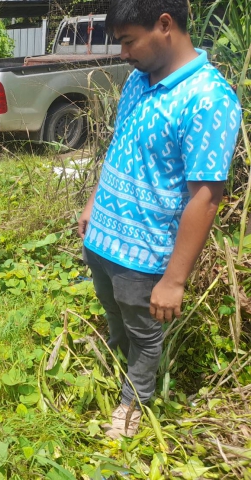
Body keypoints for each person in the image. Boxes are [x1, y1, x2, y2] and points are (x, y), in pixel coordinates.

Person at [78, 0, 241, 439]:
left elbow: (205, 197)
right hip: (102, 238)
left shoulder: (208, 99)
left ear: (164, 25)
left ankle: (134, 401)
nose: (123, 53)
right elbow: (120, 146)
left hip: (143, 253)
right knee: (114, 311)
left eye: (129, 41)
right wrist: (94, 202)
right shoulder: (138, 79)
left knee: (145, 333)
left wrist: (174, 280)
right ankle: (118, 358)